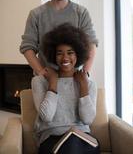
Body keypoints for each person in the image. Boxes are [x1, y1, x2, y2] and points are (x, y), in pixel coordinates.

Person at [20, 0, 98, 77]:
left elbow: (91, 44)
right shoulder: (36, 14)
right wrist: (41, 72)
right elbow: (27, 47)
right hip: (45, 80)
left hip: (74, 79)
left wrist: (84, 73)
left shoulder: (81, 13)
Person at [32, 23, 100, 154]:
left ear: (78, 55)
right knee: (70, 148)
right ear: (53, 55)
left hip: (82, 138)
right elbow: (46, 117)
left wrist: (83, 87)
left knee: (75, 145)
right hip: (52, 138)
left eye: (70, 53)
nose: (65, 58)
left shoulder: (89, 84)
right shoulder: (40, 81)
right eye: (59, 53)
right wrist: (53, 83)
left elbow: (87, 119)